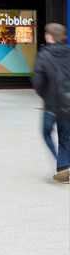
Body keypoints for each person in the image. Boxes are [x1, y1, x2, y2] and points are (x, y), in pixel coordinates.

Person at [32, 23, 70, 184]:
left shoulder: (43, 55)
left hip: (51, 103)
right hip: (68, 103)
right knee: (65, 136)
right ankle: (63, 166)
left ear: (49, 36)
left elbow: (37, 81)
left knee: (46, 132)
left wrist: (46, 95)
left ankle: (61, 165)